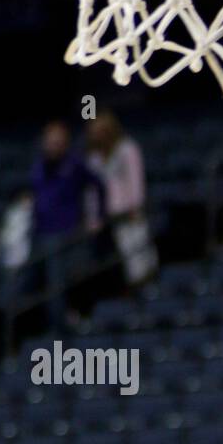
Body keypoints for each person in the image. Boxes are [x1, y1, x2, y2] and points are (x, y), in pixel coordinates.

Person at [29, 121, 105, 328]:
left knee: (69, 282)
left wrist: (98, 216)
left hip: (70, 233)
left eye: (57, 142)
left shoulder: (74, 165)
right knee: (46, 286)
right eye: (50, 142)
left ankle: (71, 327)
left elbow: (98, 185)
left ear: (65, 143)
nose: (53, 146)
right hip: (43, 234)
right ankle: (57, 330)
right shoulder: (38, 167)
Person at [86, 108, 157, 288]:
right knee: (123, 260)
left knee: (140, 254)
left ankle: (147, 289)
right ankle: (133, 292)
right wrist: (94, 218)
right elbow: (92, 192)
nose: (98, 136)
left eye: (101, 131)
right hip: (110, 216)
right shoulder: (93, 158)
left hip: (131, 212)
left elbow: (136, 179)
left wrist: (136, 206)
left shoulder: (127, 149)